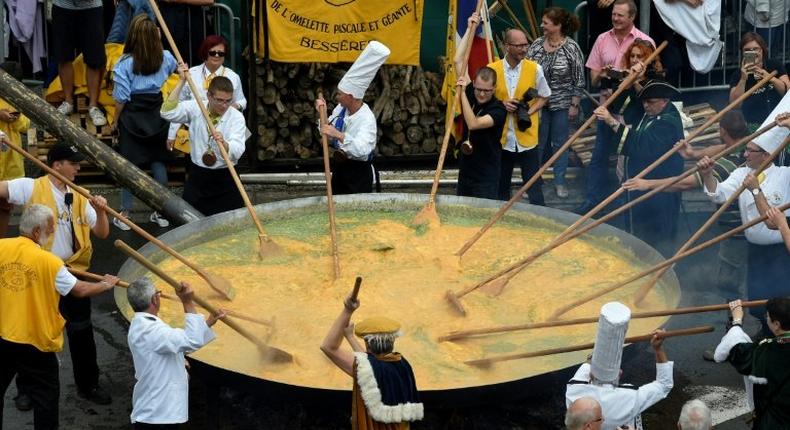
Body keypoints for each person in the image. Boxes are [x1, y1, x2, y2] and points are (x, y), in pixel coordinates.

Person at [0, 142, 113, 407]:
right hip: (40, 272)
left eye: (77, 163)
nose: (77, 167)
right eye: (72, 163)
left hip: (73, 271)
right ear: (56, 164)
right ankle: (26, 390)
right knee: (31, 333)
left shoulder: (82, 195)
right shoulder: (31, 186)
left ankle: (89, 385)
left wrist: (100, 211)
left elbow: (102, 233)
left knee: (82, 333)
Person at [0, 204, 119, 429]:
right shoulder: (50, 263)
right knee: (45, 398)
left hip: (3, 334)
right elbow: (81, 290)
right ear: (36, 232)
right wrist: (105, 284)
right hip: (36, 340)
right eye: (50, 228)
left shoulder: (1, 247)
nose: (53, 232)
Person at [623, 110, 749, 301]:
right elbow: (721, 148)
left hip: (738, 228)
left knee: (729, 281)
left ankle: (736, 322)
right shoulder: (750, 145)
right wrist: (693, 154)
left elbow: (684, 182)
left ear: (721, 130)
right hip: (750, 224)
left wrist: (648, 184)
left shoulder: (726, 165)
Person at [700, 120, 790, 336]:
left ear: (767, 155)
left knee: (781, 299)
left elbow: (771, 221)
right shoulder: (741, 175)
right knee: (758, 299)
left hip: (779, 251)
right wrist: (707, 174)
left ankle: (778, 337)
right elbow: (718, 194)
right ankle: (764, 330)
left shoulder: (785, 175)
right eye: (746, 149)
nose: (745, 155)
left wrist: (756, 190)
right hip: (755, 249)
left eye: (751, 151)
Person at [577, 0, 654, 215]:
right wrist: (604, 73)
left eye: (620, 15)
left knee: (629, 157)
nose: (615, 18)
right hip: (608, 108)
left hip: (633, 112)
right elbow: (592, 79)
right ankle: (593, 202)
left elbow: (651, 78)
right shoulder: (602, 39)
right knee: (599, 157)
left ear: (632, 17)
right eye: (614, 14)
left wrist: (631, 78)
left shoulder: (645, 42)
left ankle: (626, 204)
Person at [594, 80, 684, 257]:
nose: (645, 106)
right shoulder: (648, 112)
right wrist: (627, 81)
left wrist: (611, 121)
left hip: (660, 188)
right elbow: (621, 107)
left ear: (664, 101)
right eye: (644, 101)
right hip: (640, 185)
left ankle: (660, 267)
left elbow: (641, 144)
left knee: (658, 233)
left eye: (650, 102)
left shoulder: (668, 122)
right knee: (639, 228)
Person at [111, 14, 178, 230]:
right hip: (156, 112)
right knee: (158, 161)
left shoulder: (124, 63)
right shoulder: (166, 57)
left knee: (128, 165)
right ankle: (160, 212)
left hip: (132, 115)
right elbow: (173, 68)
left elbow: (121, 98)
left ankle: (125, 213)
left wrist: (114, 122)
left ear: (132, 37)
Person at [127, 278, 221, 429]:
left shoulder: (143, 325)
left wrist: (208, 323)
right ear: (155, 299)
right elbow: (192, 340)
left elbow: (181, 344)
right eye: (158, 293)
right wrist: (187, 302)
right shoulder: (152, 331)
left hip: (158, 412)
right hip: (158, 415)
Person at [320, 293, 423, 429]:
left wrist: (348, 310)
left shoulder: (366, 370)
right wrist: (350, 337)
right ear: (392, 340)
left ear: (367, 344)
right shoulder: (401, 363)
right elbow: (370, 360)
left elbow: (328, 347)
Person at [566, 302, 673, 430]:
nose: (603, 418)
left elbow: (588, 364)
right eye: (601, 418)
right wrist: (658, 349)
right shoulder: (627, 399)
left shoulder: (573, 390)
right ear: (619, 374)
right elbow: (664, 385)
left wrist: (601, 347)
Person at [161, 67, 248, 216]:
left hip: (226, 178)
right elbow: (167, 112)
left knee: (232, 225)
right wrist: (182, 80)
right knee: (190, 222)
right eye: (219, 100)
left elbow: (238, 149)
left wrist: (225, 144)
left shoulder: (236, 117)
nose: (224, 105)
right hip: (198, 177)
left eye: (228, 101)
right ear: (209, 96)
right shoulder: (196, 107)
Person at [315, 41, 390, 195]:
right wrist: (321, 114)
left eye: (340, 94)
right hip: (340, 169)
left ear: (350, 97)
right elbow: (325, 130)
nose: (337, 97)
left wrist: (338, 134)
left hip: (358, 174)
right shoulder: (341, 108)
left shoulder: (366, 119)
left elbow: (362, 150)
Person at [488, 27, 550, 204]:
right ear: (507, 46)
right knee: (501, 185)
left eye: (526, 44)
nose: (524, 49)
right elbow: (483, 101)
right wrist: (501, 105)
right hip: (501, 138)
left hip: (527, 138)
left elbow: (545, 96)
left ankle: (541, 224)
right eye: (519, 45)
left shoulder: (535, 69)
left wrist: (528, 112)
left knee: (534, 186)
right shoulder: (492, 69)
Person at [526, 7, 584, 199]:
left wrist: (574, 104)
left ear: (558, 25)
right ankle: (534, 182)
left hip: (562, 105)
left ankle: (559, 181)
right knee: (537, 143)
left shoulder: (571, 48)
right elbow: (526, 71)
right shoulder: (535, 45)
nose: (541, 25)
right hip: (538, 104)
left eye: (546, 23)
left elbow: (579, 79)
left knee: (560, 143)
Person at [714, 298, 790, 429]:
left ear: (776, 324)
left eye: (767, 316)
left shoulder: (767, 352)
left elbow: (737, 351)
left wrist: (737, 320)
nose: (766, 318)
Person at [167, 35, 247, 155]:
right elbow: (179, 104)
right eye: (213, 52)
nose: (216, 56)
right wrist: (172, 134)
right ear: (205, 53)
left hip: (224, 132)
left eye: (221, 53)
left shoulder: (233, 77)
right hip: (195, 133)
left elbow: (242, 101)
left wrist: (236, 106)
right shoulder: (190, 75)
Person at [51, 0, 108, 127]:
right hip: (62, 6)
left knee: (94, 58)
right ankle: (68, 101)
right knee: (63, 56)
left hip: (91, 7)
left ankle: (93, 106)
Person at [729, 32, 789, 129]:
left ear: (762, 50)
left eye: (755, 49)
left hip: (780, 120)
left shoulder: (774, 65)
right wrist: (743, 79)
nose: (752, 52)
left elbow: (787, 92)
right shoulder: (738, 74)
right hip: (753, 124)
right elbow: (734, 105)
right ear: (742, 53)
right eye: (747, 50)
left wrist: (768, 76)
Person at [0, 62, 30, 238]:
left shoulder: (19, 98)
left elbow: (25, 125)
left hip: (10, 164)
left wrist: (15, 118)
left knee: (4, 209)